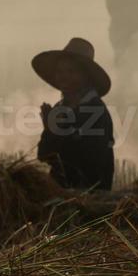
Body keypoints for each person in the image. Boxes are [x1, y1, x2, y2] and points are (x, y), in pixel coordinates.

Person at [33, 37, 116, 192]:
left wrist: (57, 128)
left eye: (71, 71)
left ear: (85, 76)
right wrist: (50, 128)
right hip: (61, 187)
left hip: (90, 189)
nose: (63, 77)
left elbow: (88, 158)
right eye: (60, 72)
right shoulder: (59, 108)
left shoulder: (95, 109)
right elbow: (44, 155)